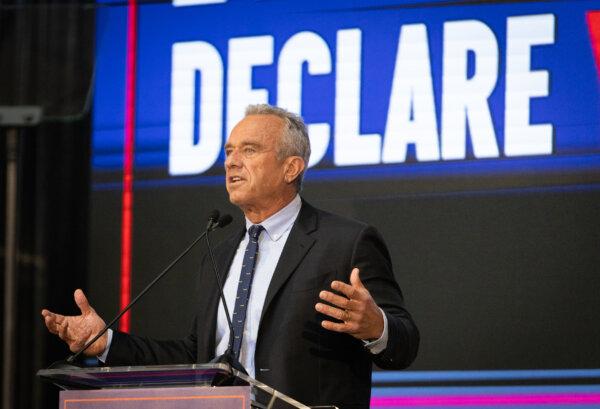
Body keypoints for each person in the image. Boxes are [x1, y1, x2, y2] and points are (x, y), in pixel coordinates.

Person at [42, 104, 419, 408]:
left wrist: (377, 327)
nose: (231, 162)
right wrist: (107, 344)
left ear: (292, 167)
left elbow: (405, 343)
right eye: (228, 152)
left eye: (249, 150)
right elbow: (199, 356)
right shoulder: (219, 253)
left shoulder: (345, 242)